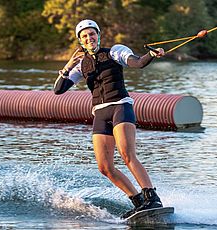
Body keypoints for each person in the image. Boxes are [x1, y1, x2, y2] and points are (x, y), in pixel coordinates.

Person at [53, 19, 165, 218]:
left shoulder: (114, 51)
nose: (90, 38)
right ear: (80, 41)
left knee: (126, 154)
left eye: (92, 34)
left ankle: (152, 197)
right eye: (85, 36)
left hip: (120, 106)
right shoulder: (81, 65)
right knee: (104, 167)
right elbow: (58, 90)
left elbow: (137, 63)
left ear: (98, 35)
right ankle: (138, 201)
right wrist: (68, 65)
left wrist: (151, 55)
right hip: (100, 113)